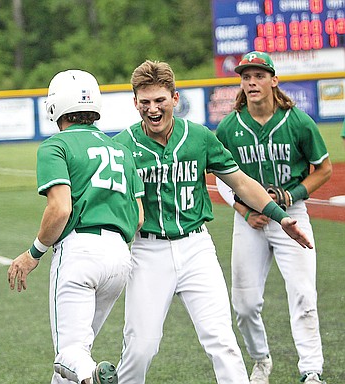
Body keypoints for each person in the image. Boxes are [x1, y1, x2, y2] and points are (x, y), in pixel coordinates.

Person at [111, 59, 313, 384]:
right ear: (135, 102)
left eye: (160, 100)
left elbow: (241, 183)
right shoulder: (122, 146)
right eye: (145, 102)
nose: (152, 109)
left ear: (175, 99)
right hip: (147, 252)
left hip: (196, 247)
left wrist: (280, 217)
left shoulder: (199, 137)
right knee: (141, 349)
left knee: (223, 342)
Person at [7, 69, 145, 384]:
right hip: (119, 258)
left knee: (70, 355)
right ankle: (89, 373)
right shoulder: (121, 150)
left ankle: (94, 376)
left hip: (80, 252)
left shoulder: (56, 146)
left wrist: (34, 253)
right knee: (78, 354)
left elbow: (60, 208)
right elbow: (137, 217)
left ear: (55, 105)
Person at [215, 51, 332, 384]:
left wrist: (293, 195)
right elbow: (219, 175)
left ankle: (311, 370)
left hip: (292, 216)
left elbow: (323, 169)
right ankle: (261, 359)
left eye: (259, 76)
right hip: (250, 222)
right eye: (246, 77)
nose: (252, 82)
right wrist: (243, 209)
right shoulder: (230, 126)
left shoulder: (297, 121)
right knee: (245, 303)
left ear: (273, 80)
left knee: (303, 295)